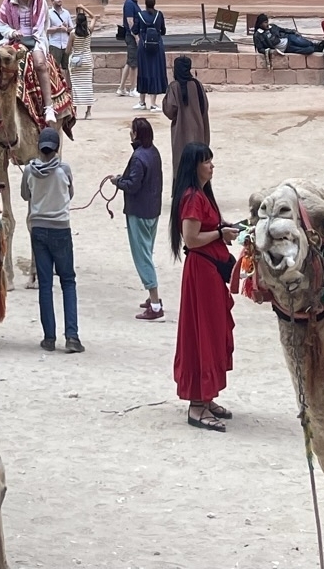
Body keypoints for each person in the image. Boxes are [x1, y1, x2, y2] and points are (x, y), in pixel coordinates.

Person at [169, 142, 236, 430]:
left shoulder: (202, 196)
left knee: (210, 331)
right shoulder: (193, 197)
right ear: (194, 165)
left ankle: (206, 397)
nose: (211, 165)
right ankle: (197, 405)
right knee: (202, 334)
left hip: (208, 272)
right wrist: (220, 233)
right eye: (206, 161)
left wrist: (224, 230)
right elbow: (191, 239)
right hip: (202, 272)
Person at [22, 126, 81, 352]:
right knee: (68, 281)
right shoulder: (64, 169)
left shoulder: (29, 169)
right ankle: (72, 336)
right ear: (57, 148)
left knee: (45, 285)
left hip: (38, 229)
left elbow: (25, 195)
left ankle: (49, 337)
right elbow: (71, 193)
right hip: (61, 229)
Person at [111, 115, 164, 318]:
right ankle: (152, 298)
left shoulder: (138, 158)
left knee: (142, 257)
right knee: (147, 252)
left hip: (139, 212)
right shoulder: (154, 152)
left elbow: (132, 186)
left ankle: (156, 303)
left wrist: (117, 182)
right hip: (153, 210)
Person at [0, 0, 55, 103]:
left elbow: (44, 22)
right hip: (14, 38)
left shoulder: (40, 1)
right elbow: (1, 25)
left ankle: (48, 106)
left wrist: (35, 35)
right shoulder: (7, 3)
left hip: (35, 37)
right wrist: (13, 32)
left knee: (40, 64)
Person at [162, 55, 210, 170]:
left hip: (181, 134)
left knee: (182, 169)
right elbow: (205, 106)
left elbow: (169, 111)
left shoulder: (174, 87)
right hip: (199, 132)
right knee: (198, 167)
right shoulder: (197, 85)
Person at [134, 0, 168, 110]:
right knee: (155, 71)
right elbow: (163, 31)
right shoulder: (159, 14)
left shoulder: (140, 15)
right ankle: (153, 103)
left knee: (143, 71)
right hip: (157, 46)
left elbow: (134, 30)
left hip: (143, 47)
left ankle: (142, 102)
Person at [67, 7, 95, 118]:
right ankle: (88, 112)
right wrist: (82, 7)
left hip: (76, 61)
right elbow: (94, 17)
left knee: (76, 87)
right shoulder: (89, 31)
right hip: (87, 60)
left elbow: (68, 50)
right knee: (88, 85)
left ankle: (75, 111)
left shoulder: (73, 33)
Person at [118, 0, 141, 97]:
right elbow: (130, 21)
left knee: (129, 61)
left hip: (132, 35)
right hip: (131, 36)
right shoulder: (129, 4)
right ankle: (133, 88)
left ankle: (121, 88)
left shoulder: (134, 3)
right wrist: (136, 36)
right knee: (134, 64)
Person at [46, 0, 75, 78]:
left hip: (66, 44)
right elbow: (46, 30)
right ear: (52, 1)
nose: (59, 0)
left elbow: (72, 28)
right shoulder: (49, 13)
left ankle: (68, 87)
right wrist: (58, 28)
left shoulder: (66, 13)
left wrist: (66, 28)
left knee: (68, 68)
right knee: (54, 67)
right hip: (55, 44)